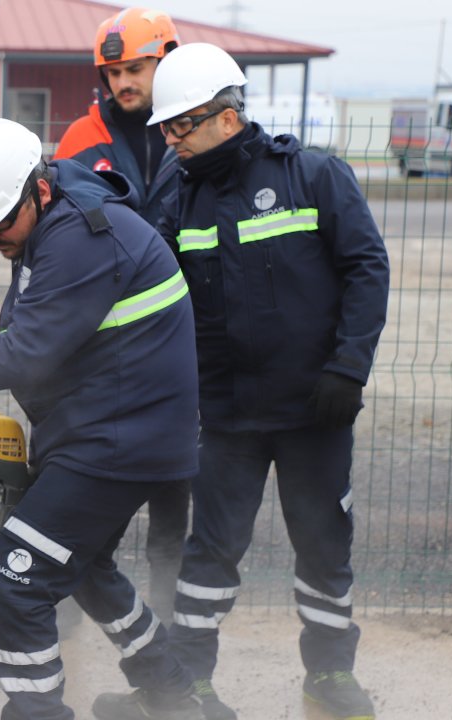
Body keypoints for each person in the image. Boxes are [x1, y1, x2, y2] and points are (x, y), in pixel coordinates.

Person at [0, 117, 204, 720]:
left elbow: (29, 349)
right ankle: (171, 696)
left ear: (38, 190)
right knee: (84, 567)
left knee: (13, 577)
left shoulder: (81, 239)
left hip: (118, 440)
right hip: (114, 428)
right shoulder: (53, 218)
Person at [139, 43, 390, 720]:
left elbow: (367, 268)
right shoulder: (177, 199)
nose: (171, 139)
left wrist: (348, 368)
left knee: (324, 546)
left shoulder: (312, 176)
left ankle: (329, 675)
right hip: (225, 416)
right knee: (210, 553)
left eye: (181, 125)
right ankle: (190, 681)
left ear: (226, 116)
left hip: (316, 409)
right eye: (165, 128)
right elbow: (155, 300)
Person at [54, 6, 187, 627]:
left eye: (137, 68)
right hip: (105, 345)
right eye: (113, 72)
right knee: (91, 492)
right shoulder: (79, 143)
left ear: (168, 60)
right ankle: (73, 613)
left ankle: (169, 614)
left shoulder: (194, 133)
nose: (123, 82)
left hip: (182, 341)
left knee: (174, 495)